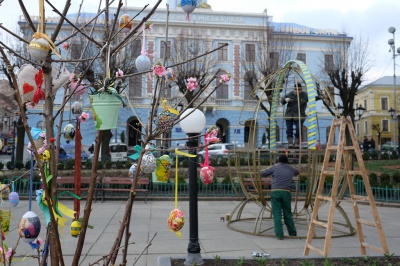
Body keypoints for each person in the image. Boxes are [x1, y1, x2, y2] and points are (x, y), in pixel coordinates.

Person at [260, 155, 298, 239]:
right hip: (286, 192)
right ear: (287, 161)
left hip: (275, 192)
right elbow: (297, 172)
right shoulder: (291, 169)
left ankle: (279, 234)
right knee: (288, 213)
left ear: (278, 161)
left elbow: (262, 173)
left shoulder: (275, 167)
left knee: (277, 214)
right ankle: (292, 233)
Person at [281, 83, 308, 148]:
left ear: (301, 90)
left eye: (299, 90)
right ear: (294, 89)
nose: (298, 91)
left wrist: (320, 97)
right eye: (296, 90)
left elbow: (313, 98)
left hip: (299, 115)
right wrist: (285, 100)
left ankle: (297, 142)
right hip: (289, 115)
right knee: (289, 129)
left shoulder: (305, 95)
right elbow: (282, 101)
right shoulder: (290, 94)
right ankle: (290, 142)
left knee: (299, 129)